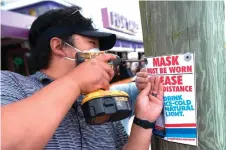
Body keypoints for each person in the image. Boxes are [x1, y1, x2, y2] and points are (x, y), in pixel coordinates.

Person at [1, 6, 163, 150]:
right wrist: (74, 81)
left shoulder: (102, 98)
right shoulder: (11, 84)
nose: (100, 53)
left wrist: (143, 120)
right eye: (92, 43)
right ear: (58, 46)